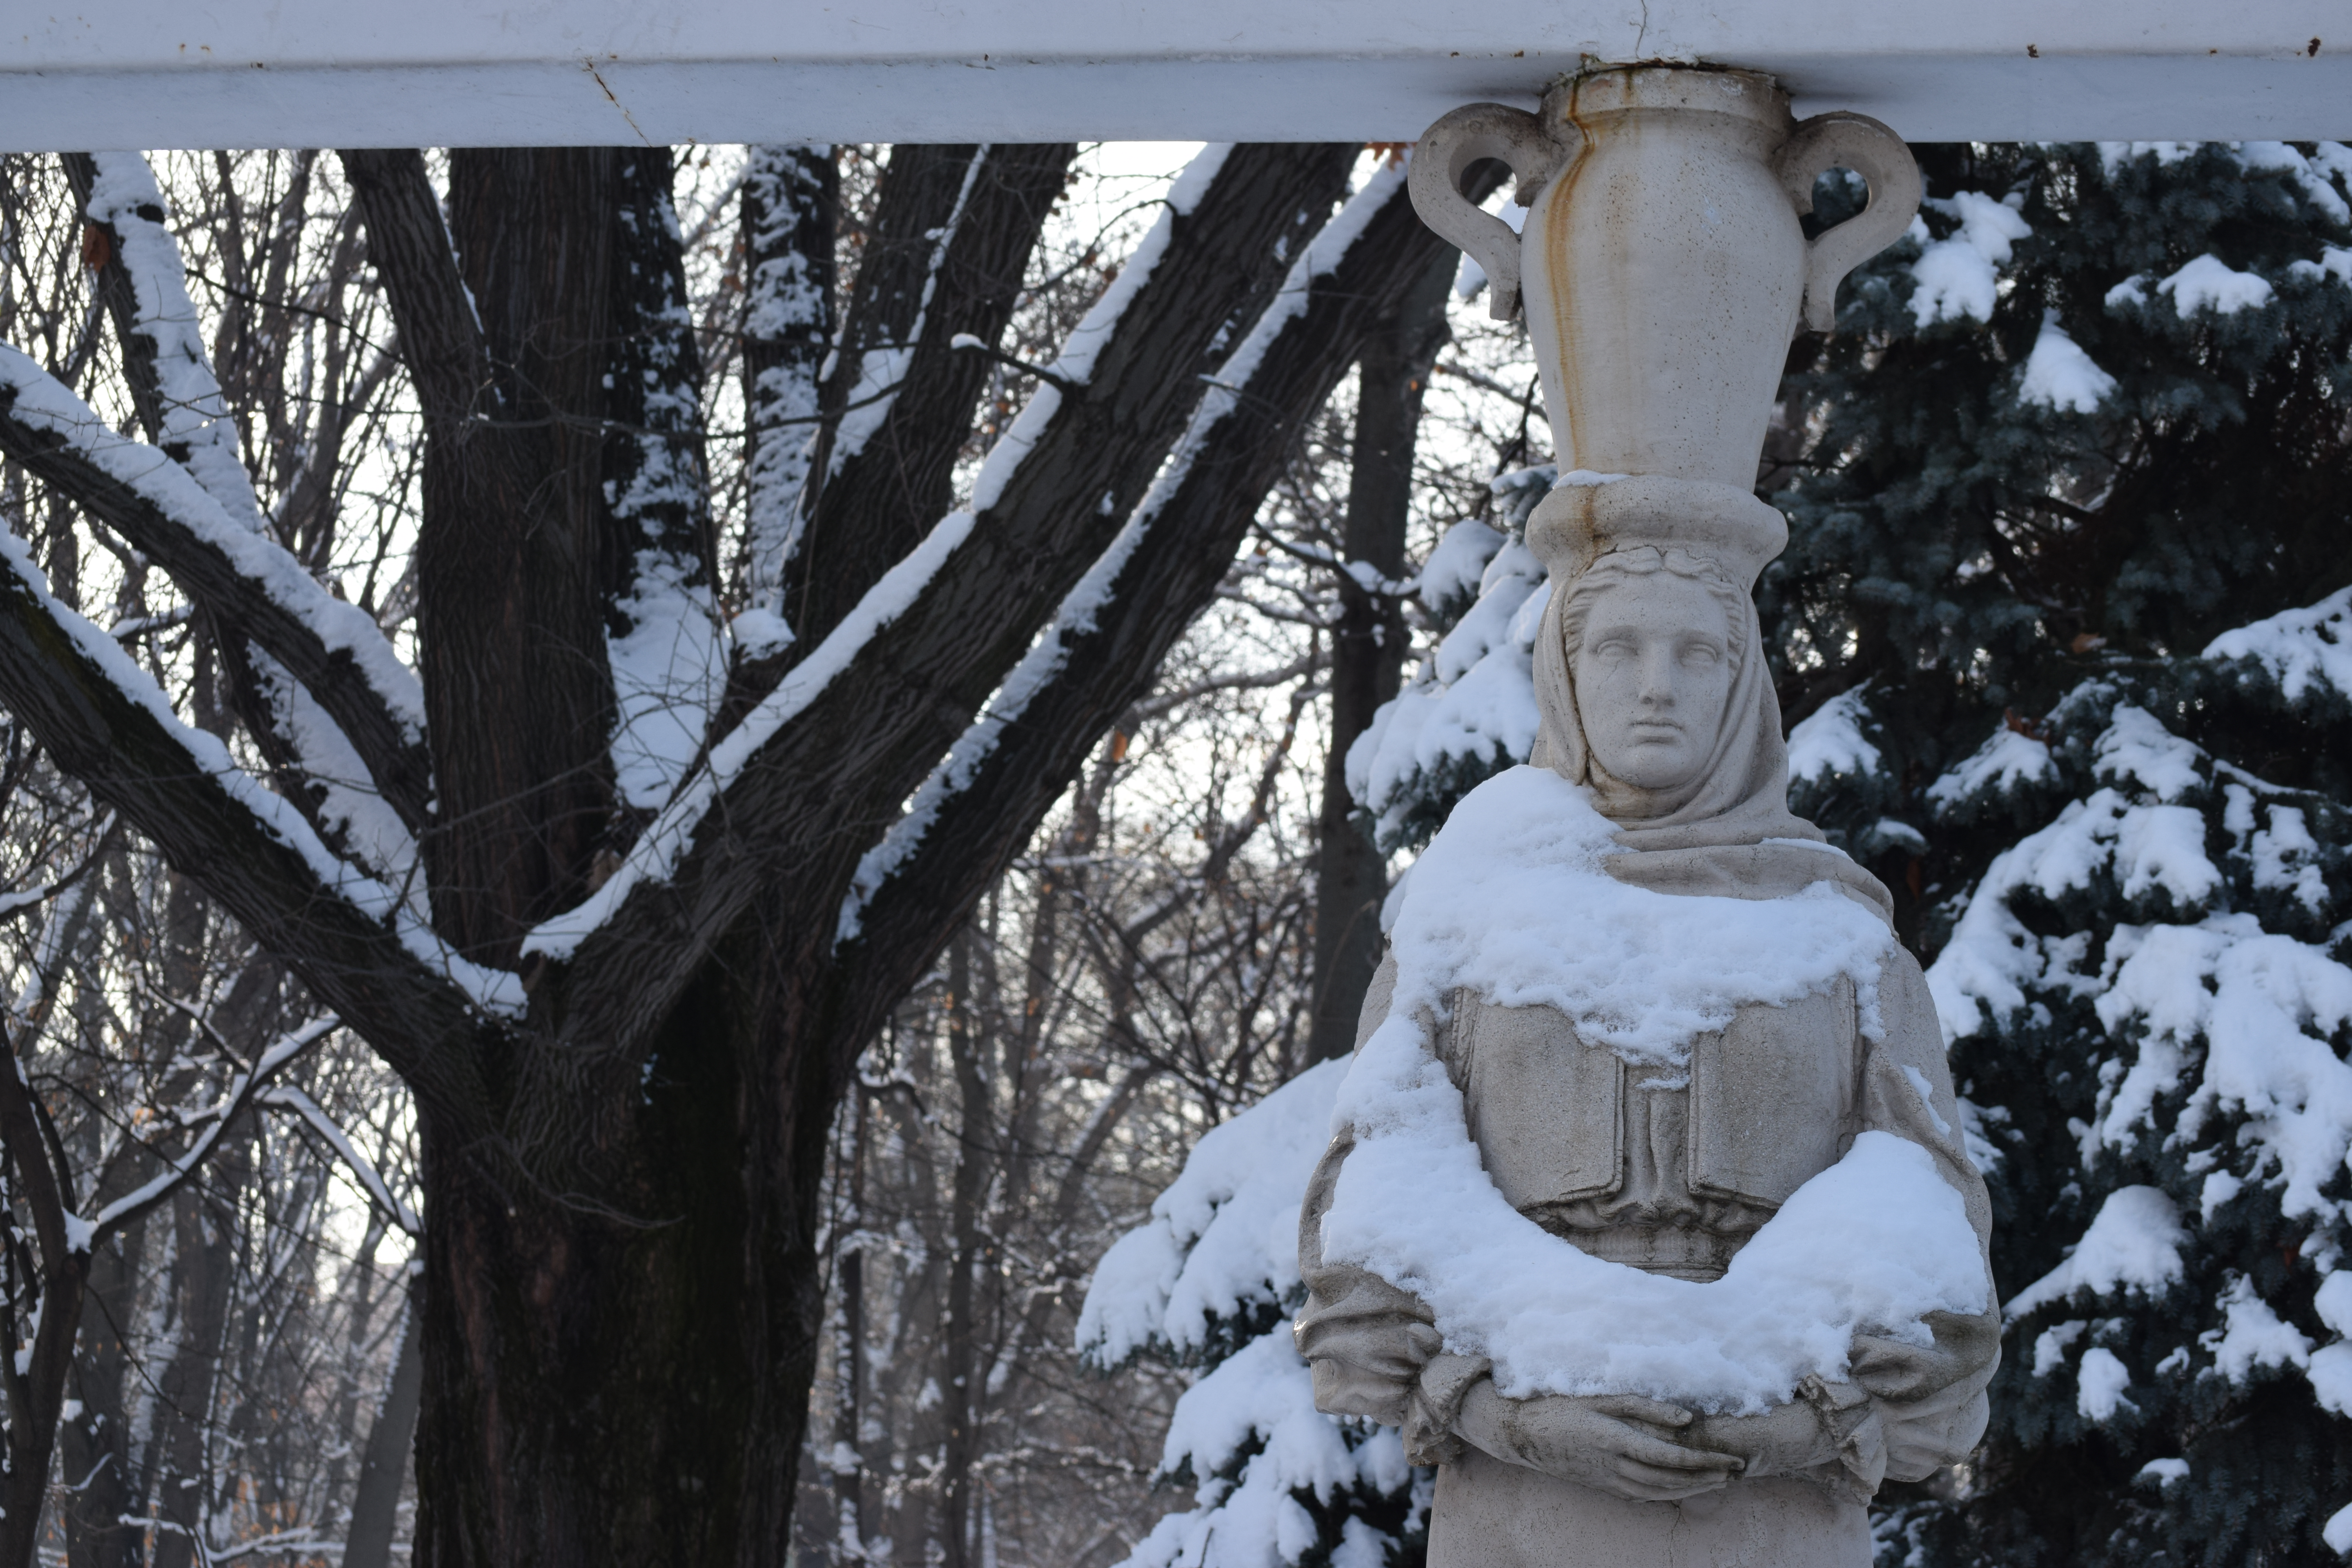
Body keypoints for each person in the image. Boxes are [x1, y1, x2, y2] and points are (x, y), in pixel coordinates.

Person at [1295, 476, 1998, 1568]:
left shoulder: (1846, 939)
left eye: (1697, 654)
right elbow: (1379, 1225)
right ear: (1565, 678)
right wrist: (1513, 1413)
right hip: (1524, 1501)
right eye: (1617, 650)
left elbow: (1925, 1232)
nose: (1657, 687)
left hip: (1781, 1503)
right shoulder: (1464, 924)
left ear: (1744, 681)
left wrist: (1799, 1417)